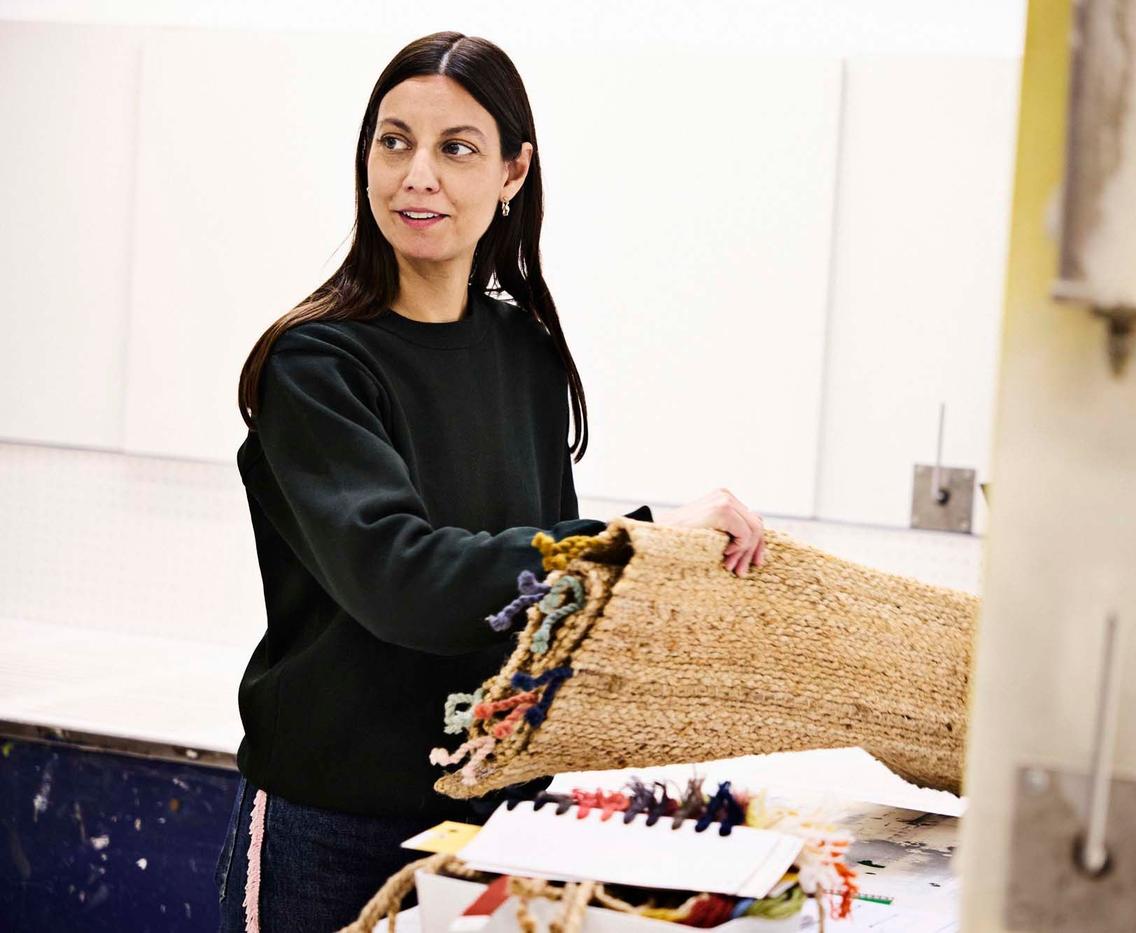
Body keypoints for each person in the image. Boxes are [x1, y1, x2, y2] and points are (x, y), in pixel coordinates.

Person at [215, 31, 768, 932]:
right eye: (393, 142)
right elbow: (408, 581)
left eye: (456, 148)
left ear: (513, 172)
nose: (416, 175)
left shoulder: (526, 353)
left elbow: (540, 604)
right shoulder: (316, 365)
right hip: (332, 827)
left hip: (495, 817)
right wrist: (647, 531)